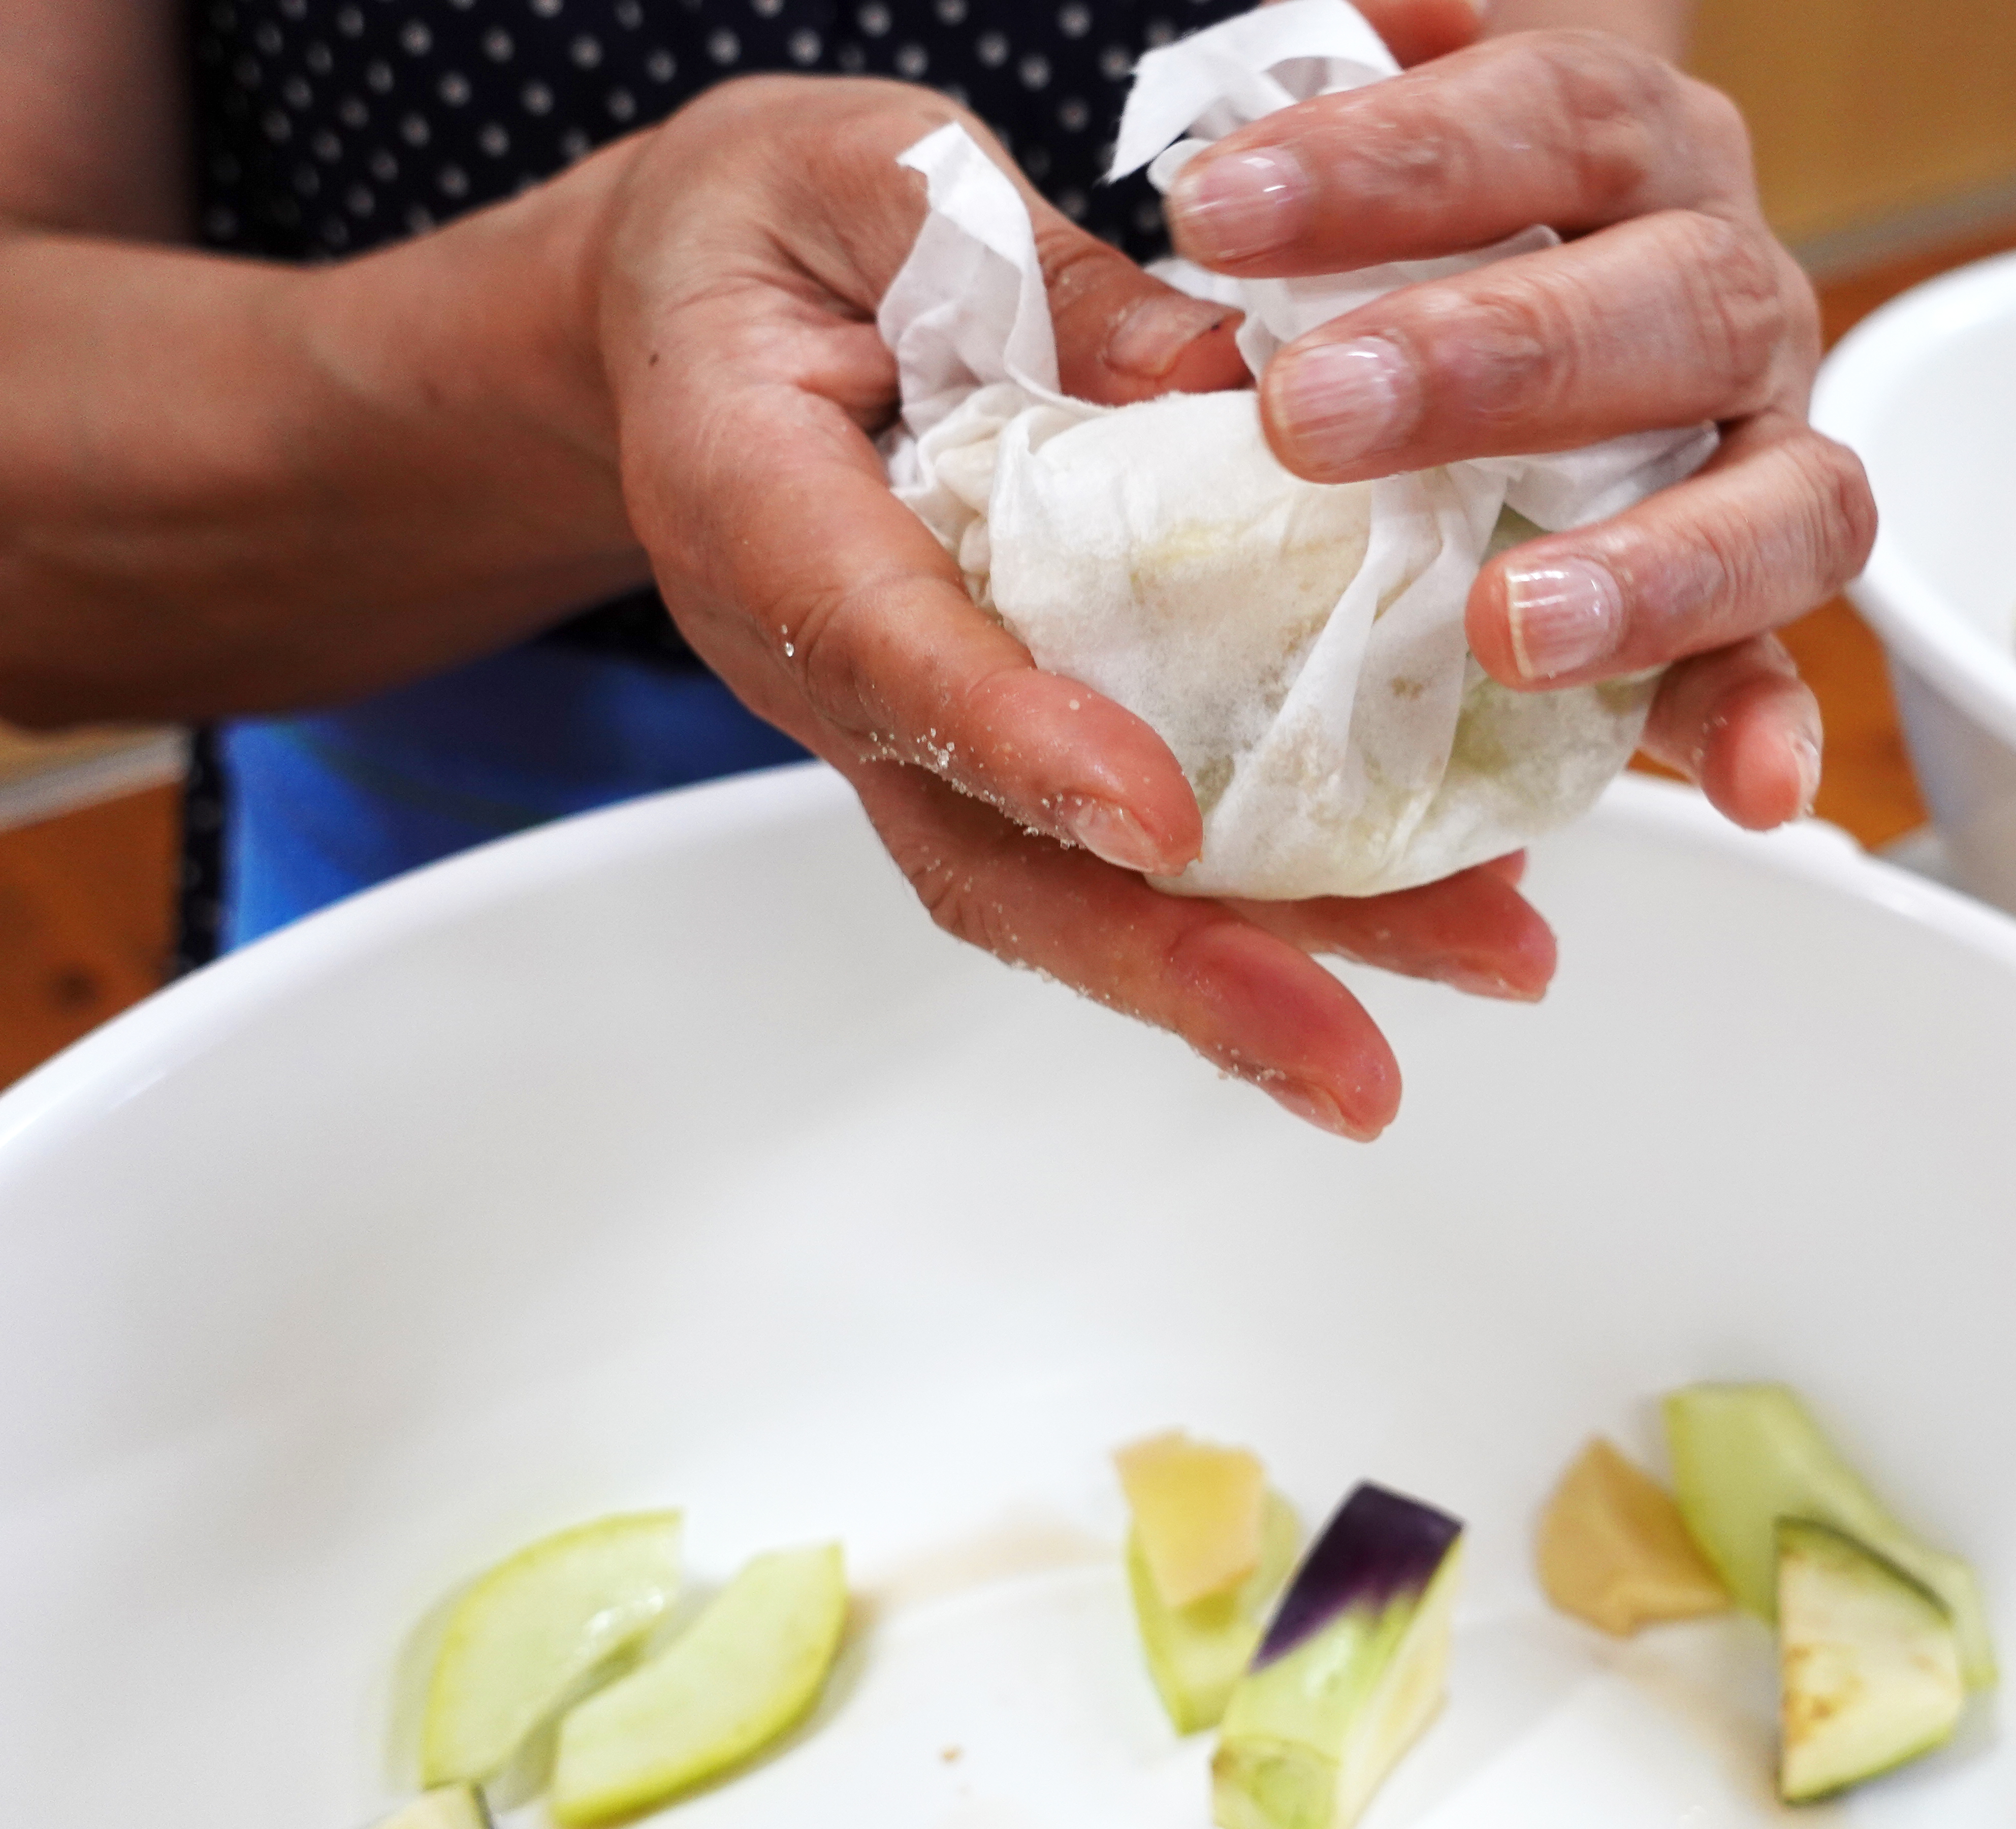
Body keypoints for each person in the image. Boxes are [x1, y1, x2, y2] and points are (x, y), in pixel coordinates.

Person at [0, 0, 1875, 1139]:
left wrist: (1624, 346)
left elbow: (1564, 103)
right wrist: (585, 342)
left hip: (1252, 924)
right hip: (450, 885)